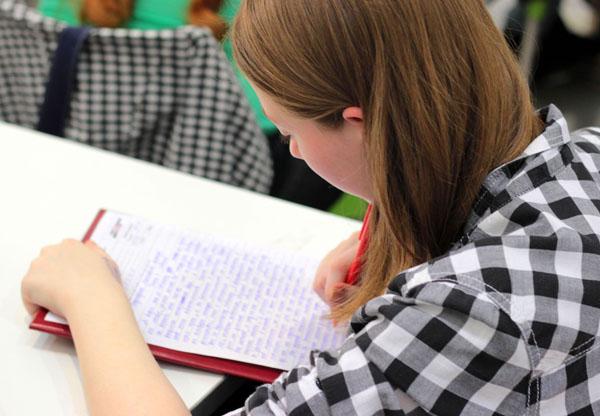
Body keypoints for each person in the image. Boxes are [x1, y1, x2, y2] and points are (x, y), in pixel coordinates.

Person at [21, 0, 600, 414]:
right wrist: (403, 221)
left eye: (289, 132)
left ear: (360, 123)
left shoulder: (463, 316)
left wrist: (93, 300)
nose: (292, 151)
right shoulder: (587, 157)